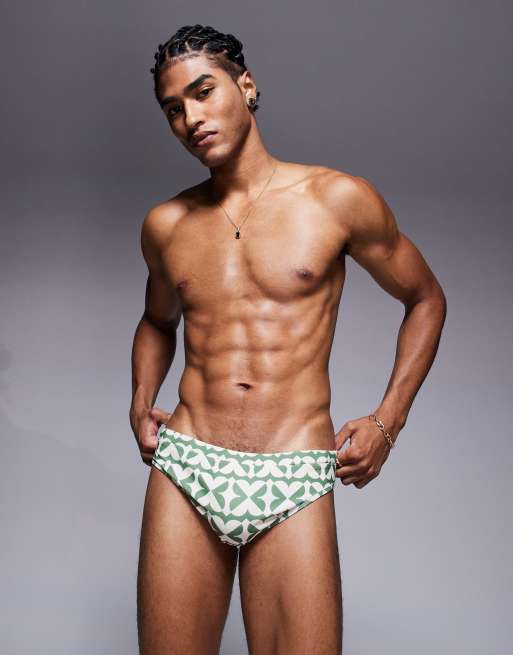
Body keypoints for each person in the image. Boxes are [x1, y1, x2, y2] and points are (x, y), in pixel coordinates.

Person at [129, 23, 447, 655]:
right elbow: (158, 321)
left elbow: (425, 300)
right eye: (173, 109)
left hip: (293, 470)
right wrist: (140, 401)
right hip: (189, 465)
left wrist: (387, 422)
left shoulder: (337, 200)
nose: (191, 118)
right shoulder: (166, 224)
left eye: (203, 92)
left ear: (246, 86)